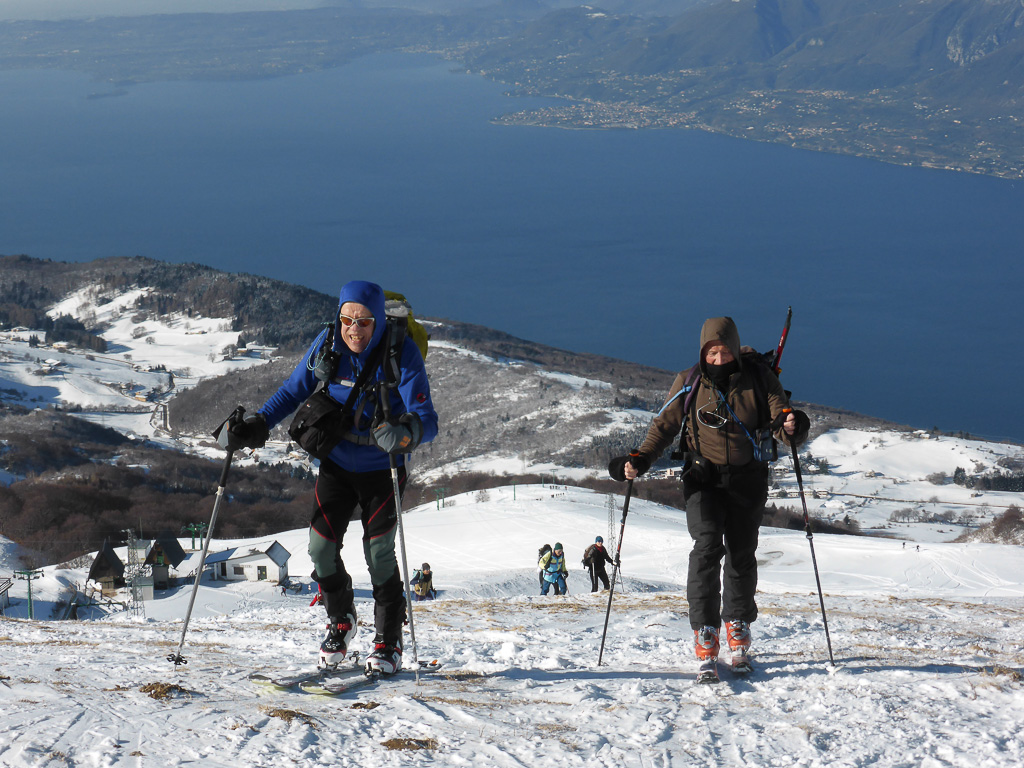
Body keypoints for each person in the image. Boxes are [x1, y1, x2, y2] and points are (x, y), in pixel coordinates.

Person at [223, 280, 438, 676]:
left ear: (378, 321)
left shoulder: (401, 352)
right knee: (320, 548)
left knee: (379, 554)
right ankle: (342, 620)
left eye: (364, 321)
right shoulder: (328, 345)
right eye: (347, 319)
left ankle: (389, 639)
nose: (354, 329)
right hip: (337, 463)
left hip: (383, 468)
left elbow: (428, 419)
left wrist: (406, 433)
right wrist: (258, 424)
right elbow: (292, 391)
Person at [609, 316, 809, 671]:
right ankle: (706, 629)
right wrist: (640, 459)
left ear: (735, 350)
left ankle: (738, 623)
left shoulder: (760, 378)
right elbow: (664, 427)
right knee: (706, 547)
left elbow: (781, 421)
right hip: (702, 478)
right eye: (711, 353)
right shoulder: (689, 382)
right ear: (703, 352)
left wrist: (794, 426)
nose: (718, 359)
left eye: (724, 352)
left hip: (748, 479)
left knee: (742, 551)